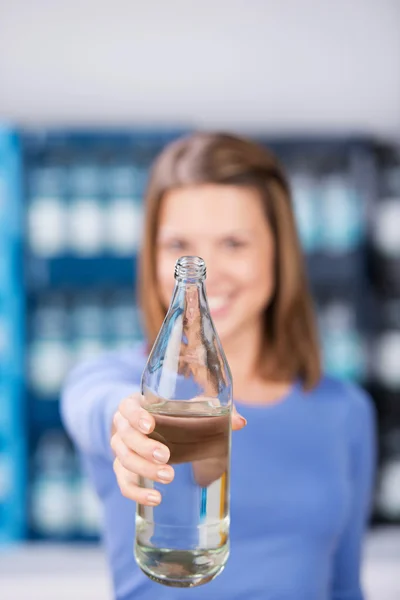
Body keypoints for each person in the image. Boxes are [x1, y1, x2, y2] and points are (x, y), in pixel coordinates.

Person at [61, 132, 376, 600]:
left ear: (279, 253)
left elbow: (345, 587)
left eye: (234, 243)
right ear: (152, 258)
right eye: (178, 244)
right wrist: (128, 421)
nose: (206, 269)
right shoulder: (117, 385)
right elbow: (96, 406)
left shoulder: (344, 410)